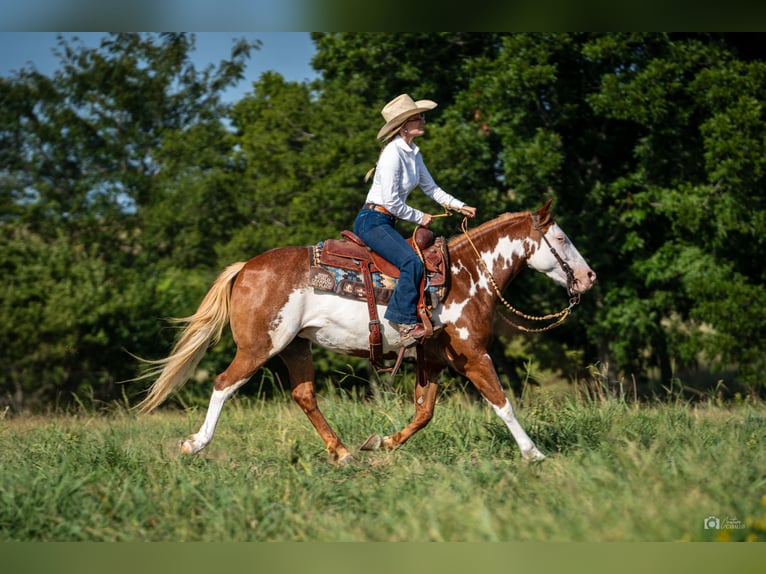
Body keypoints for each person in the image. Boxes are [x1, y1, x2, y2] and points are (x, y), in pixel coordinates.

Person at [353, 94, 477, 348]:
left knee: (419, 260)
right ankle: (404, 323)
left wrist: (459, 205)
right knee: (411, 262)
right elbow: (390, 202)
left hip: (384, 222)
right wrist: (421, 216)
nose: (423, 120)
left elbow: (432, 189)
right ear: (405, 125)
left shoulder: (413, 153)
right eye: (419, 117)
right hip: (372, 220)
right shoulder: (392, 155)